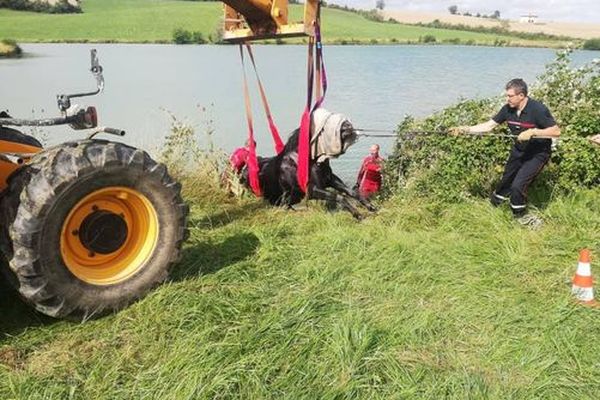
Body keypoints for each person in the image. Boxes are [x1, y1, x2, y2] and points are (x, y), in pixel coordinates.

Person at [451, 78, 560, 222]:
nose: (507, 98)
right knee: (506, 180)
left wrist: (533, 132)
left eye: (510, 96)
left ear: (521, 96)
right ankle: (495, 206)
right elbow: (488, 126)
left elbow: (556, 131)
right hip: (519, 151)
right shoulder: (507, 109)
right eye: (507, 95)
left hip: (537, 154)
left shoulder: (537, 109)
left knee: (518, 185)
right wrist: (465, 129)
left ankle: (520, 216)